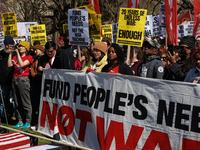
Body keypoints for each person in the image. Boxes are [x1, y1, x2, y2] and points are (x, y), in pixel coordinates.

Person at [8, 41, 33, 129]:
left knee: (26, 102)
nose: (20, 47)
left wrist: (18, 53)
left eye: (22, 46)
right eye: (19, 46)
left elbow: (22, 65)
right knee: (17, 102)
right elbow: (9, 64)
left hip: (24, 80)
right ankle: (20, 121)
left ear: (26, 48)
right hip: (15, 79)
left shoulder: (29, 57)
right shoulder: (15, 56)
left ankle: (28, 121)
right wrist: (11, 54)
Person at [0, 36, 15, 123]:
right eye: (6, 44)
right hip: (3, 81)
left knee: (14, 101)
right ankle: (3, 117)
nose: (7, 46)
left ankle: (16, 117)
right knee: (3, 101)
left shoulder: (15, 54)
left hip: (13, 81)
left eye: (9, 44)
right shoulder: (1, 53)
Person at [30, 45, 44, 126]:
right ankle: (35, 120)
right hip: (35, 82)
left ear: (41, 51)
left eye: (37, 50)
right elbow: (32, 69)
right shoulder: (35, 59)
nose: (35, 52)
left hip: (41, 82)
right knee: (34, 102)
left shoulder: (43, 58)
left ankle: (39, 121)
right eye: (34, 50)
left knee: (40, 103)